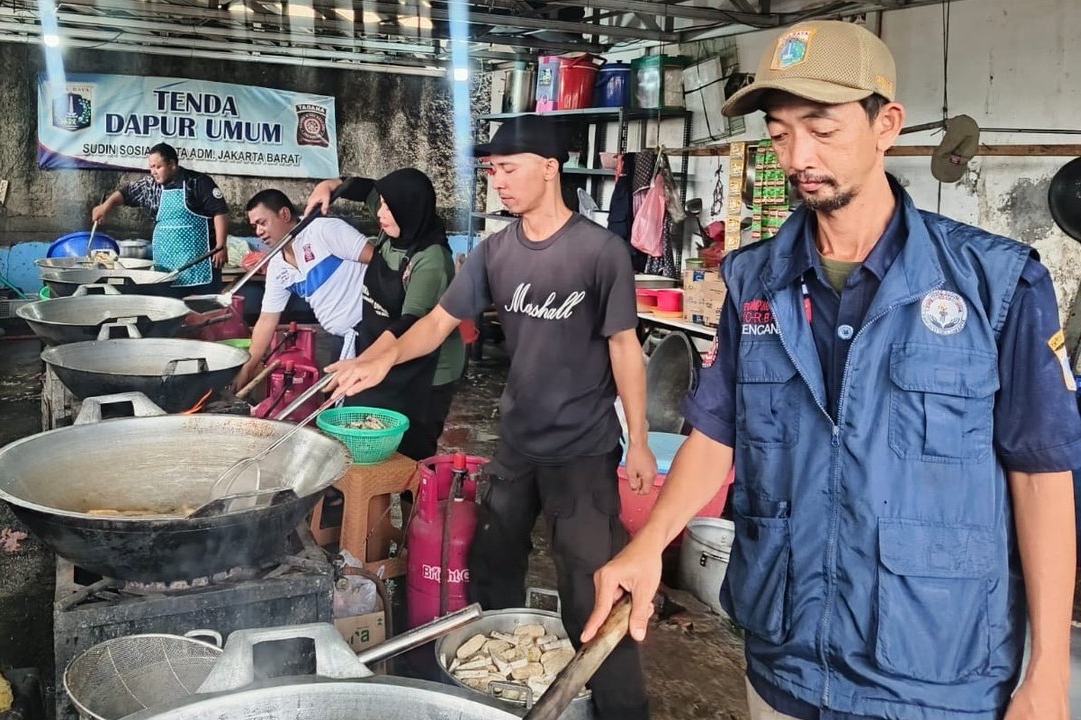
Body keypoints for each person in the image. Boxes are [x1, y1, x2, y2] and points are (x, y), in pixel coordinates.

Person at [585, 20, 1080, 720]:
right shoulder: (755, 279)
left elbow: (1041, 477)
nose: (798, 155)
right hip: (784, 661)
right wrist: (649, 544)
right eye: (781, 131)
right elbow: (717, 432)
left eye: (821, 127)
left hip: (933, 675)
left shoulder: (996, 287)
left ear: (888, 124)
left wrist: (1048, 676)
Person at [329, 115, 657, 720]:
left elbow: (624, 349)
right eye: (492, 172)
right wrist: (384, 359)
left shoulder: (600, 251)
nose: (498, 183)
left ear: (549, 168)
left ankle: (620, 710)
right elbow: (435, 324)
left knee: (591, 587)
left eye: (508, 169)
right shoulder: (493, 252)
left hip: (584, 449)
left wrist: (639, 440)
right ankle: (497, 695)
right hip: (517, 442)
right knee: (491, 564)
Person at [306, 169, 464, 460]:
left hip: (427, 371)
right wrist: (329, 185)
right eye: (381, 204)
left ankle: (412, 505)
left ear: (409, 209)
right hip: (381, 350)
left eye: (389, 207)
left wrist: (360, 363)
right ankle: (367, 499)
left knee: (411, 455)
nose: (380, 212)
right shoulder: (392, 226)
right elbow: (365, 188)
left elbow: (411, 322)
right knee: (366, 445)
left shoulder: (431, 260)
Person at [233, 189, 371, 391]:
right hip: (342, 337)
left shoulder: (322, 231)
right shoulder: (278, 265)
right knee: (336, 402)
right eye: (254, 226)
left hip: (371, 330)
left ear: (285, 215)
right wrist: (248, 367)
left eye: (263, 223)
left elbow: (377, 260)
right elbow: (266, 320)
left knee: (363, 403)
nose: (258, 232)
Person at [91, 143, 229, 297]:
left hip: (200, 265)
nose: (153, 172)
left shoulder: (197, 182)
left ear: (172, 164)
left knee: (206, 310)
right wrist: (106, 206)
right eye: (151, 167)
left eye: (158, 167)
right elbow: (125, 193)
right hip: (166, 265)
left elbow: (220, 211)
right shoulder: (150, 186)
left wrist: (221, 246)